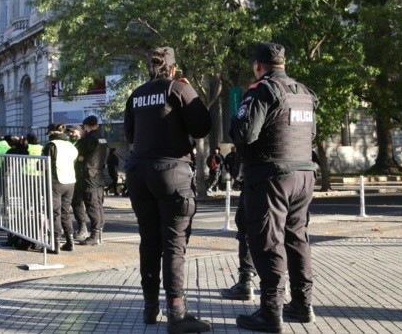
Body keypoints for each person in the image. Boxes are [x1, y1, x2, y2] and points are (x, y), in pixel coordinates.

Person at [229, 43, 318, 332]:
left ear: (258, 65)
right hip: (303, 175)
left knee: (267, 241)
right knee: (297, 239)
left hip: (271, 177)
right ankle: (302, 305)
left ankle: (270, 312)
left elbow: (245, 133)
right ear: (283, 63)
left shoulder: (262, 90)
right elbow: (312, 134)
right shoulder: (304, 93)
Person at [124, 46, 212, 333]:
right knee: (173, 245)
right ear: (173, 67)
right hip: (171, 172)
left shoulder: (136, 94)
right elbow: (202, 128)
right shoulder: (179, 88)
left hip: (138, 172)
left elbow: (130, 135)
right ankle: (177, 314)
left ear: (150, 66)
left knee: (149, 242)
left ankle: (150, 309)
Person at [219, 157, 256, 302]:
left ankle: (246, 283)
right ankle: (282, 284)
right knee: (283, 232)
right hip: (292, 174)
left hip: (256, 179)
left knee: (246, 231)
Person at [42, 123, 77, 253]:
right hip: (70, 181)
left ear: (51, 133)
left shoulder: (51, 145)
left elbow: (44, 164)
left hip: (56, 180)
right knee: (65, 211)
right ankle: (70, 241)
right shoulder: (71, 145)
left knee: (55, 212)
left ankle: (56, 244)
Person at [76, 115, 109, 246]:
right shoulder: (102, 138)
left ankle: (94, 235)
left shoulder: (88, 139)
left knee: (91, 205)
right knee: (98, 204)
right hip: (99, 175)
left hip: (89, 175)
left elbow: (79, 156)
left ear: (86, 126)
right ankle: (99, 231)